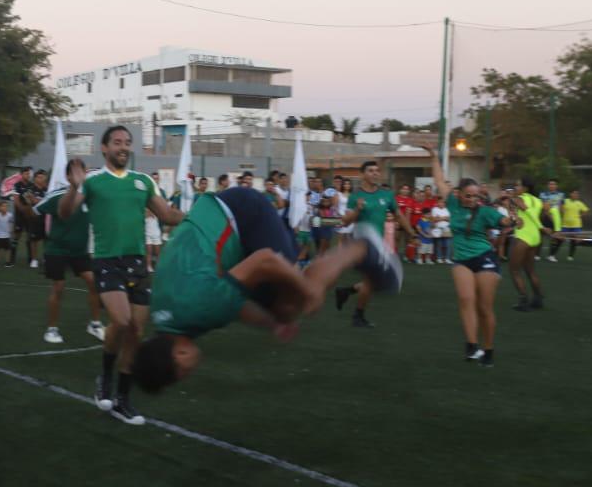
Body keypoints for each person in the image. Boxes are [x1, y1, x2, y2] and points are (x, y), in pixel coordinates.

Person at [130, 188, 402, 393]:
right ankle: (353, 254)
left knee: (296, 302)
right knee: (284, 310)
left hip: (243, 213)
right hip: (224, 223)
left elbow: (265, 260)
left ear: (179, 356)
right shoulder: (166, 316)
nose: (188, 373)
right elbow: (233, 302)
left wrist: (307, 290)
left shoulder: (200, 308)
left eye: (182, 375)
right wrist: (273, 323)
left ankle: (360, 247)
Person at [59, 125, 186, 424]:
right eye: (117, 142)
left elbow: (167, 215)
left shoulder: (142, 182)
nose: (124, 147)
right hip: (106, 261)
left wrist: (197, 218)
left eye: (127, 143)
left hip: (137, 263)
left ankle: (122, 400)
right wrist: (74, 187)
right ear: (104, 148)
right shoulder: (92, 181)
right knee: (121, 319)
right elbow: (66, 212)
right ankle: (104, 377)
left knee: (135, 333)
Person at [426, 148, 511, 366]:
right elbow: (439, 181)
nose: (473, 199)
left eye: (476, 196)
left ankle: (489, 349)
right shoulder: (453, 204)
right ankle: (472, 346)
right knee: (465, 300)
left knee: (484, 308)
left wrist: (512, 220)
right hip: (461, 260)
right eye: (468, 195)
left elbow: (504, 223)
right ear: (460, 194)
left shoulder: (485, 211)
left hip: (485, 258)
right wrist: (434, 157)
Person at [336, 161, 420, 327]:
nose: (375, 173)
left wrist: (411, 233)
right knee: (372, 280)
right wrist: (357, 210)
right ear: (362, 174)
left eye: (377, 171)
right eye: (371, 170)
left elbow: (399, 216)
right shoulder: (355, 196)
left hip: (379, 245)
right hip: (362, 244)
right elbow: (345, 222)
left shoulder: (387, 195)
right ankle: (357, 316)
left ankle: (347, 292)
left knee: (376, 282)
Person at [35, 158, 106, 344]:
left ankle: (95, 324)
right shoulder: (57, 194)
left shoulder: (91, 195)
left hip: (80, 251)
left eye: (83, 171)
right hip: (57, 250)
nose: (80, 175)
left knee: (94, 283)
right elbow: (36, 210)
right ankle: (52, 329)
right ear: (68, 175)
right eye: (75, 172)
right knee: (58, 288)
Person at [509, 178, 550, 311]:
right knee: (530, 270)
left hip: (524, 237)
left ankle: (523, 301)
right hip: (535, 238)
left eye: (518, 185)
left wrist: (542, 227)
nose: (516, 187)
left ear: (525, 188)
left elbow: (530, 213)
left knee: (514, 270)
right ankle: (538, 299)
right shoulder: (538, 200)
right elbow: (543, 213)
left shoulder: (518, 198)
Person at [551, 190, 590, 261]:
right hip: (565, 225)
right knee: (560, 239)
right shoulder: (565, 201)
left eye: (577, 194)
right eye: (574, 193)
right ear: (570, 194)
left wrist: (581, 216)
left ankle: (570, 256)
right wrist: (561, 209)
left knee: (575, 240)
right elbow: (560, 208)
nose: (576, 195)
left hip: (576, 225)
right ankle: (552, 255)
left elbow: (586, 210)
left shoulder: (579, 203)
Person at [0, 200, 14, 269]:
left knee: (8, 249)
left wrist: (11, 231)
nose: (5, 208)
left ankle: (7, 262)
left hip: (7, 235)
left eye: (6, 206)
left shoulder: (10, 215)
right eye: (3, 206)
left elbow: (11, 223)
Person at [429, 196, 451, 263]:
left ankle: (447, 258)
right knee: (439, 244)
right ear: (437, 203)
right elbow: (433, 219)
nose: (442, 203)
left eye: (443, 202)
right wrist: (444, 218)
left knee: (447, 244)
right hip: (438, 229)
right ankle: (439, 258)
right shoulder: (434, 209)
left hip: (447, 228)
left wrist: (439, 218)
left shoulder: (447, 209)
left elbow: (449, 219)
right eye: (440, 202)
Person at [334, 178, 353, 244]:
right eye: (345, 184)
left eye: (348, 184)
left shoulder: (353, 195)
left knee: (349, 239)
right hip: (341, 218)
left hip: (350, 219)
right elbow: (335, 208)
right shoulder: (338, 194)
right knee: (340, 239)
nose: (347, 185)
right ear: (342, 185)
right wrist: (340, 216)